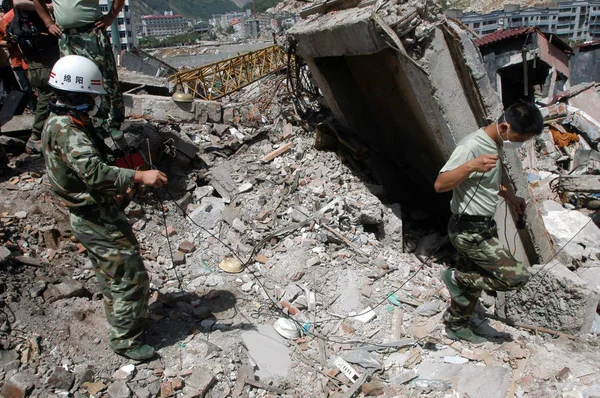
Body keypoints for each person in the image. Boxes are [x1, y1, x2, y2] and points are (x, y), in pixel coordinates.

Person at [42, 55, 167, 360]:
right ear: (78, 95)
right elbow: (94, 173)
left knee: (111, 275)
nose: (94, 103)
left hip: (91, 213)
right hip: (95, 215)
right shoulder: (68, 131)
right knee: (130, 275)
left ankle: (121, 324)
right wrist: (139, 175)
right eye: (91, 97)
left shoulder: (60, 122)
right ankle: (127, 341)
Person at [434, 102, 544, 343]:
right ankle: (455, 277)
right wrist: (471, 165)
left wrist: (510, 196)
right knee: (516, 277)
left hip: (482, 225)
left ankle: (456, 326)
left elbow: (489, 180)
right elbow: (441, 184)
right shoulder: (471, 146)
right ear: (505, 126)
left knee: (472, 284)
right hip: (467, 228)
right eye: (520, 138)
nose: (520, 143)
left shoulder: (497, 143)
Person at [33, 0, 124, 138]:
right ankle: (84, 122)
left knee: (105, 79)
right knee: (72, 84)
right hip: (66, 36)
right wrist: (48, 23)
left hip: (91, 32)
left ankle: (112, 124)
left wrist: (111, 16)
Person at [12, 0, 59, 153]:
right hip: (38, 47)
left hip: (45, 45)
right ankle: (36, 137)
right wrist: (49, 8)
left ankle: (45, 133)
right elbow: (17, 2)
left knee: (53, 89)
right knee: (48, 90)